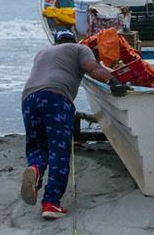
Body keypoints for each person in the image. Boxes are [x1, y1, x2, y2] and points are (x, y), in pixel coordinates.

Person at [20, 30, 127, 220]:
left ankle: (36, 168)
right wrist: (113, 81)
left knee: (37, 144)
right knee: (59, 150)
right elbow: (93, 68)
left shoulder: (43, 52)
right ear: (74, 40)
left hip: (29, 98)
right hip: (56, 98)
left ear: (56, 42)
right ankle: (51, 203)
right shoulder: (80, 49)